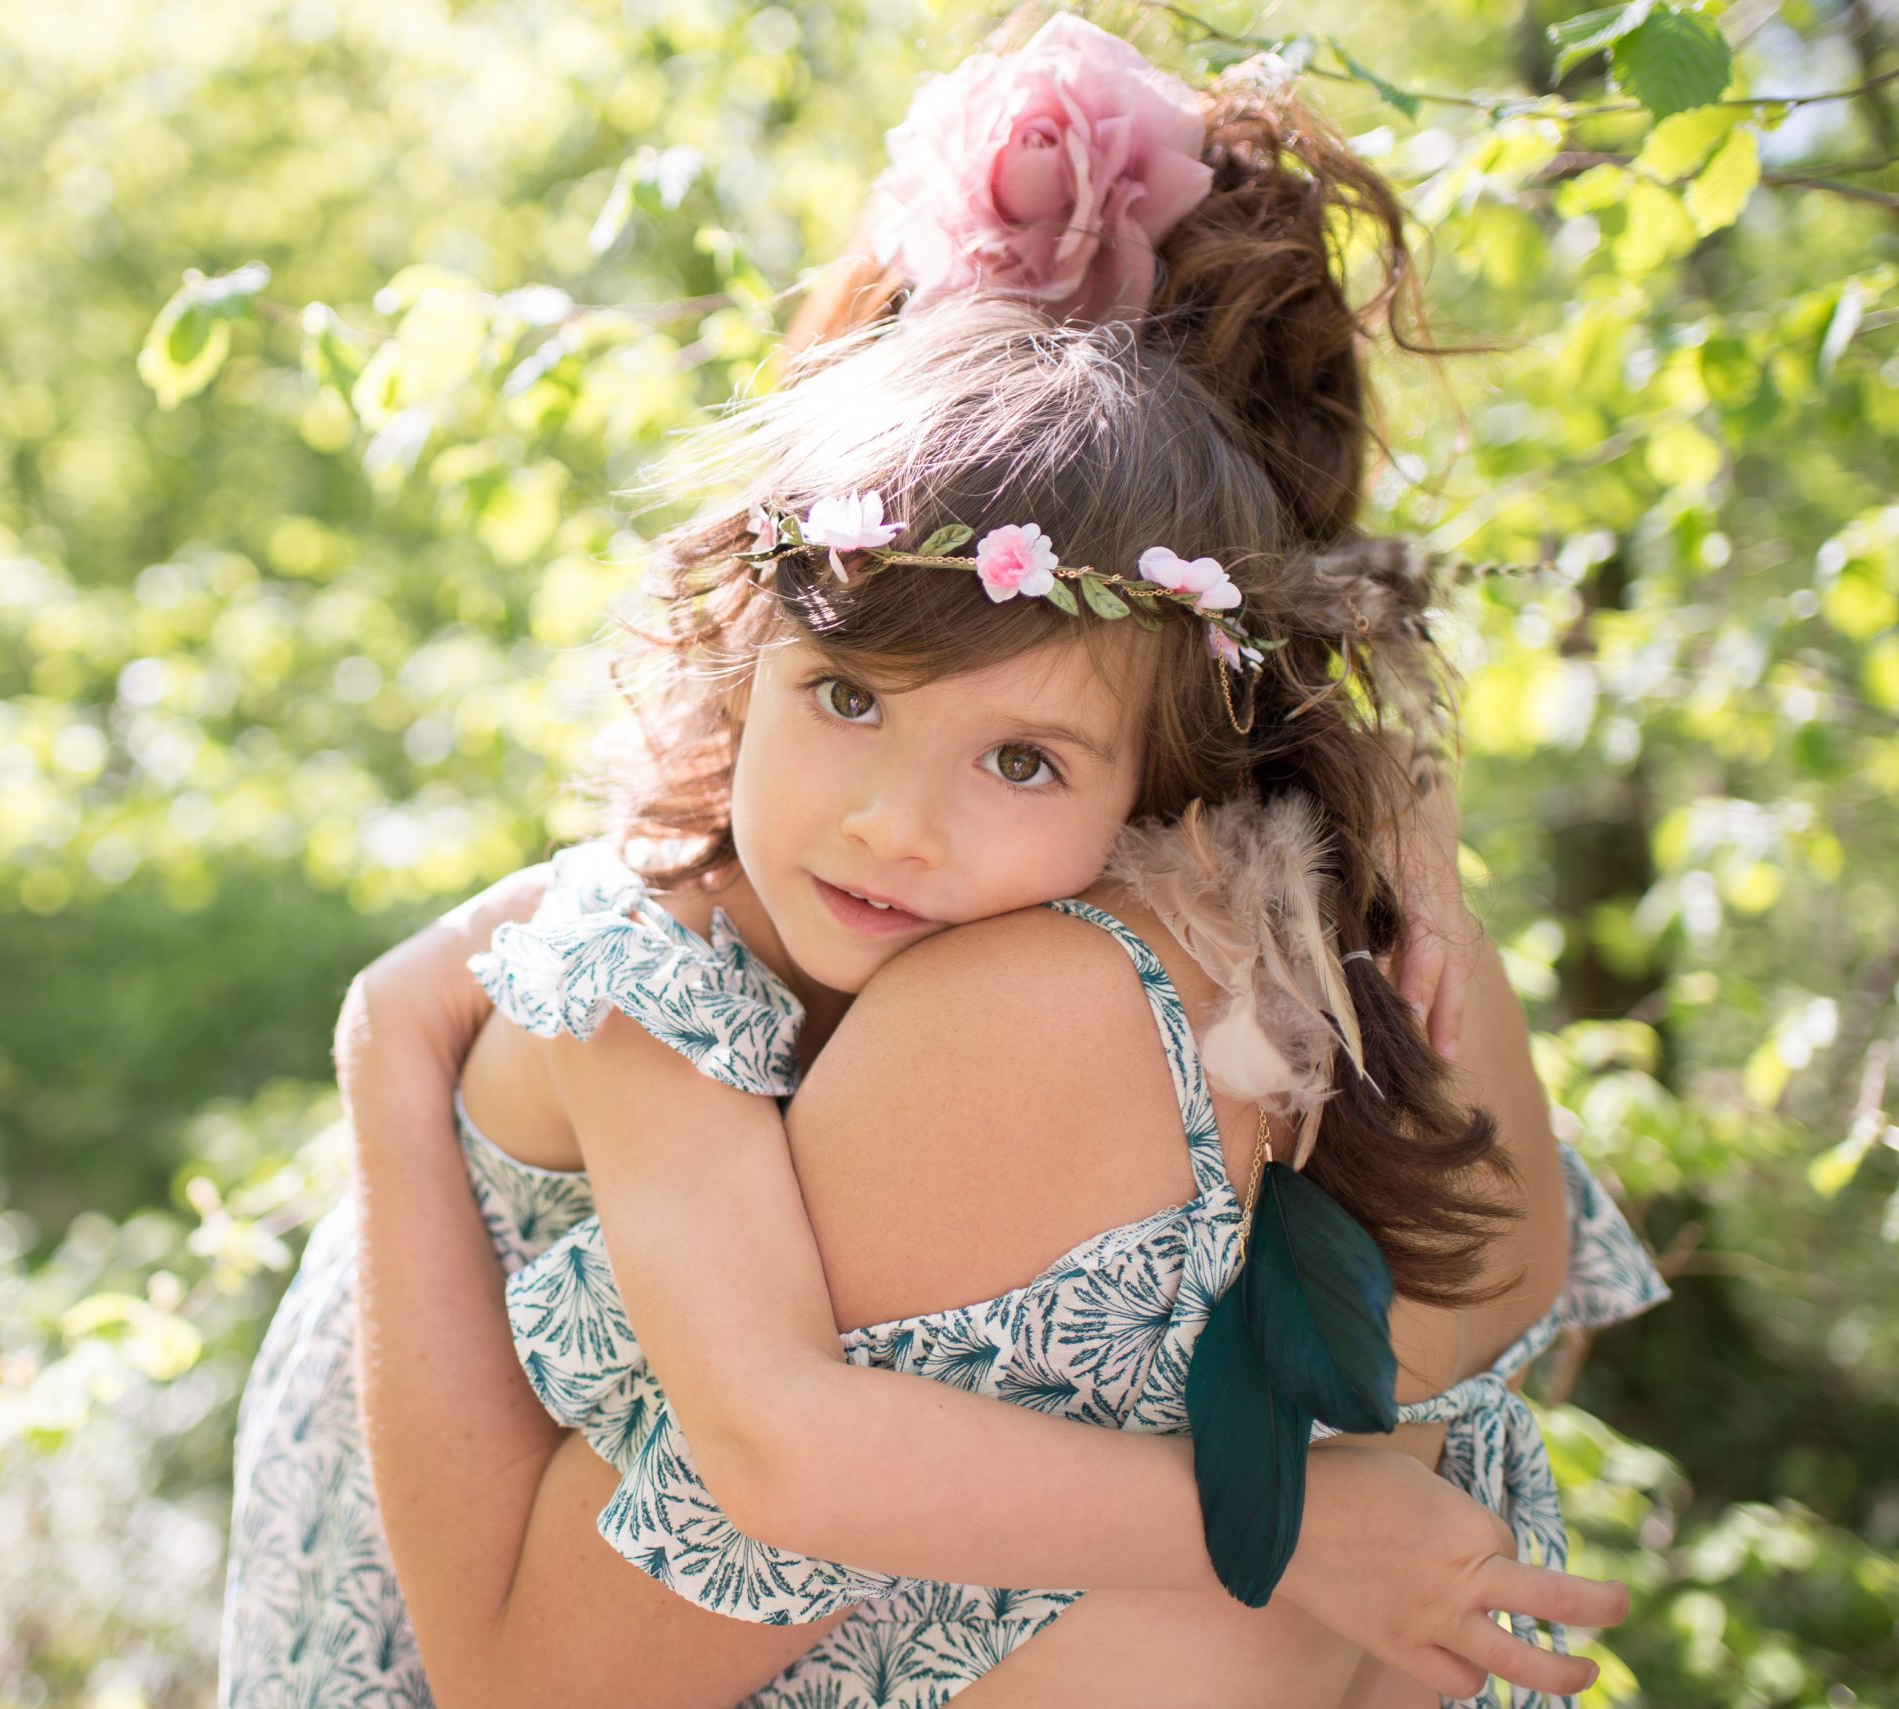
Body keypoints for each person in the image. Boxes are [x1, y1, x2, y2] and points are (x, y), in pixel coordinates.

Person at [219, 16, 1666, 1709]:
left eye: (1020, 759)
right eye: (844, 693)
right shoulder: (645, 971)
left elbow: (1505, 1305)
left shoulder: (1212, 922)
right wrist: (1277, 1530)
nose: (892, 822)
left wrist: (1389, 805)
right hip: (395, 1587)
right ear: (748, 635)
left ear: (1173, 771)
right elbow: (778, 1436)